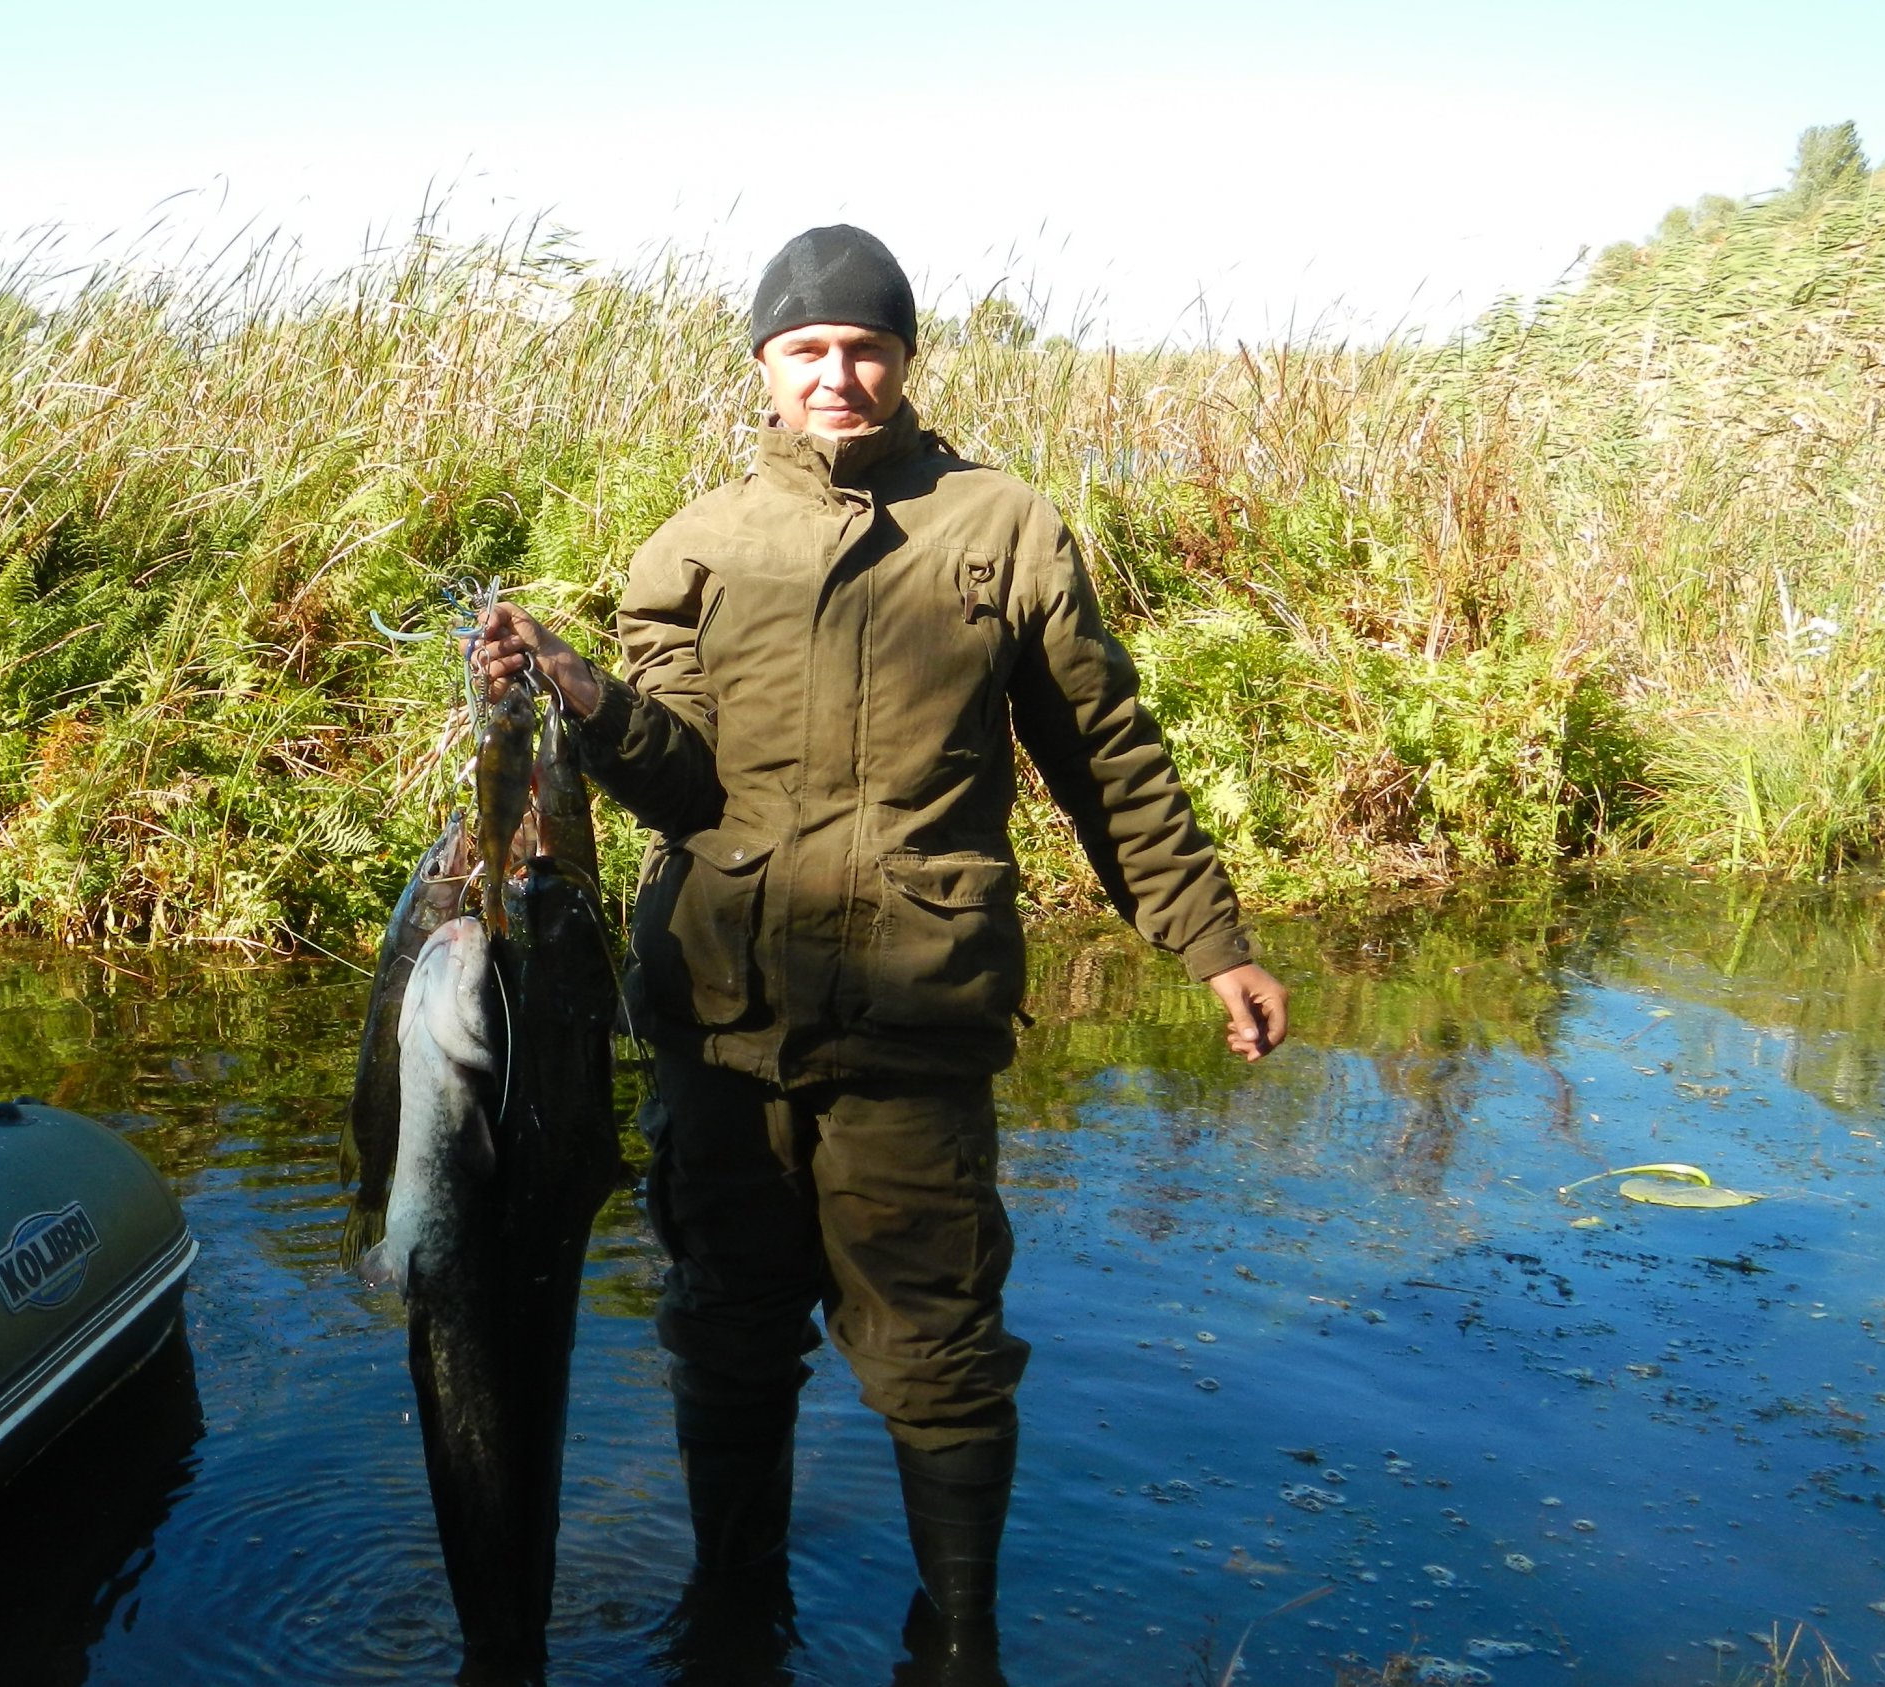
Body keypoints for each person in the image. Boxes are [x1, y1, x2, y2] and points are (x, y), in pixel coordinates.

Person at [472, 224, 1288, 1664]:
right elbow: (682, 782)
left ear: (904, 358)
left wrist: (1210, 940)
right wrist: (588, 699)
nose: (836, 375)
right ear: (763, 367)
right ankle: (734, 1610)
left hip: (918, 1013)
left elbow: (1105, 754)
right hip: (719, 1016)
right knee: (725, 1328)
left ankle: (960, 1640)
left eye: (865, 347)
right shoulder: (697, 546)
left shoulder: (1004, 528)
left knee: (941, 1347)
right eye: (806, 350)